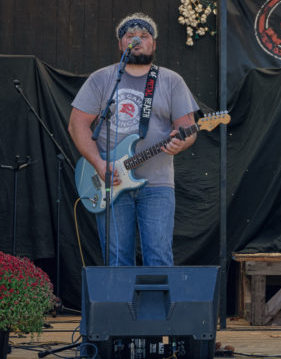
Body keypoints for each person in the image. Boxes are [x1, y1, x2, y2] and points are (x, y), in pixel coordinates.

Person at [68, 13, 199, 266]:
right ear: (120, 44)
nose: (137, 39)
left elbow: (188, 128)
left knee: (159, 257)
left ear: (154, 44)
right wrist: (98, 163)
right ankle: (121, 307)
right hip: (110, 181)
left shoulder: (171, 81)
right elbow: (77, 125)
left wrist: (181, 142)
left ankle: (156, 308)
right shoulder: (102, 79)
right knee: (117, 259)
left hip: (158, 184)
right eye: (130, 36)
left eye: (144, 36)